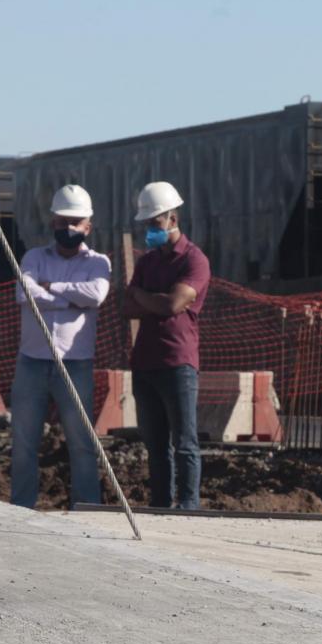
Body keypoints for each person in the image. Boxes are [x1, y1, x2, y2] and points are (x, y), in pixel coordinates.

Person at [9, 184, 111, 509]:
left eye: (76, 222)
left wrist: (51, 287)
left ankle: (87, 507)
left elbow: (95, 296)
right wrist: (71, 300)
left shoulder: (98, 263)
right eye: (63, 221)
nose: (69, 228)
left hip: (75, 363)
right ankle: (21, 506)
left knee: (81, 442)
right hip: (32, 362)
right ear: (52, 221)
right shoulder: (33, 257)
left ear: (87, 226)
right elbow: (24, 294)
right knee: (24, 442)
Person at [123, 181, 210, 509]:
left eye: (155, 222)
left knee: (185, 443)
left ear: (173, 219)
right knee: (156, 445)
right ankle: (161, 505)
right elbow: (126, 307)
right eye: (147, 223)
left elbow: (173, 305)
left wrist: (144, 297)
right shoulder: (147, 263)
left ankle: (188, 507)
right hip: (144, 363)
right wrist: (153, 300)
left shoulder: (194, 260)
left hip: (177, 363)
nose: (150, 229)